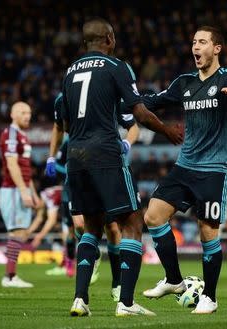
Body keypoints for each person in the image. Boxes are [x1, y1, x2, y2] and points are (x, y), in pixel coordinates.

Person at [58, 17, 183, 317]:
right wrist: (167, 131)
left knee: (91, 226)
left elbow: (64, 122)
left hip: (76, 156)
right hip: (106, 153)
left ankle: (80, 299)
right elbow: (138, 111)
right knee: (132, 223)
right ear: (109, 39)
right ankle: (126, 302)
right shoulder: (117, 66)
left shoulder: (69, 72)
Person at [140, 26, 227, 314]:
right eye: (193, 42)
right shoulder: (185, 82)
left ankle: (210, 298)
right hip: (186, 164)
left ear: (216, 48)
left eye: (202, 42)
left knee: (207, 233)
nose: (195, 47)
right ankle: (174, 280)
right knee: (152, 215)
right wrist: (128, 98)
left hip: (215, 168)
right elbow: (155, 101)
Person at [43, 94, 141, 301]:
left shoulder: (110, 96)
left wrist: (126, 144)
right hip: (78, 169)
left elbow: (133, 127)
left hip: (107, 167)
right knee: (79, 225)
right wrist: (51, 156)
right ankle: (92, 254)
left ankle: (117, 283)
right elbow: (59, 127)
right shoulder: (64, 98)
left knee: (113, 228)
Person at [0, 102, 42, 288]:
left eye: (29, 112)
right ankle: (9, 277)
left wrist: (34, 193)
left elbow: (25, 170)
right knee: (17, 232)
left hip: (21, 188)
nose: (27, 116)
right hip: (13, 189)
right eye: (23, 112)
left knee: (21, 232)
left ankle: (11, 274)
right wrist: (23, 191)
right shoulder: (11, 134)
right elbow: (12, 164)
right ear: (12, 114)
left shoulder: (23, 136)